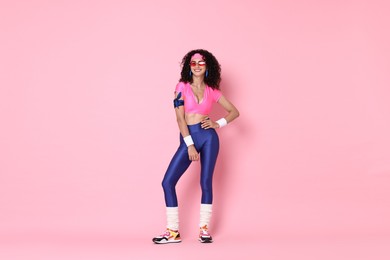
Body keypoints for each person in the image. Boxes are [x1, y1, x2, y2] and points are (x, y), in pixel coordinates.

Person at [152, 49, 239, 244]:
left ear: (207, 66)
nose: (197, 66)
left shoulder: (212, 91)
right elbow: (180, 118)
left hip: (209, 137)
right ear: (188, 66)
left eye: (201, 62)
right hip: (189, 138)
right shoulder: (181, 87)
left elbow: (234, 112)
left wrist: (218, 123)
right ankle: (173, 231)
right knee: (168, 182)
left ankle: (204, 230)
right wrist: (189, 145)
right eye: (193, 63)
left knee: (206, 182)